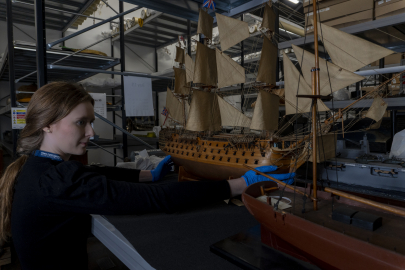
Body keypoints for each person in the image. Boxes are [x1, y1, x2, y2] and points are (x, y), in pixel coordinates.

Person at [0, 82, 294, 270]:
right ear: (48, 125)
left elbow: (93, 172)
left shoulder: (36, 168)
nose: (91, 132)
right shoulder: (55, 182)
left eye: (90, 122)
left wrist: (146, 175)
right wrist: (238, 184)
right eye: (81, 123)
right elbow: (154, 200)